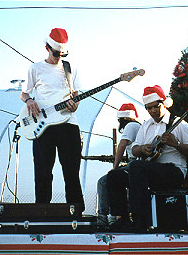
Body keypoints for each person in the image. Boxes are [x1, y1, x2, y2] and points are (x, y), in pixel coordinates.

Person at [108, 85, 188, 232]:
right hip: (149, 171)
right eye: (148, 108)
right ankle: (122, 219)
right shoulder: (145, 125)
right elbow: (136, 149)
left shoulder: (179, 123)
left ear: (164, 104)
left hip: (173, 171)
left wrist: (176, 144)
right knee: (114, 175)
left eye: (156, 107)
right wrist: (143, 148)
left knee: (136, 167)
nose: (152, 111)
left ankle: (140, 219)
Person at [20, 28, 85, 211]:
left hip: (68, 124)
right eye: (56, 53)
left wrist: (74, 105)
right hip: (43, 125)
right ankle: (41, 213)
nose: (59, 57)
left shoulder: (70, 69)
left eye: (62, 54)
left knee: (71, 172)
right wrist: (30, 100)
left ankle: (76, 214)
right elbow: (24, 93)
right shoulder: (35, 68)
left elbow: (76, 96)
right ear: (47, 48)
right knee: (43, 172)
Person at [96, 103, 141, 230]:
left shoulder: (131, 125)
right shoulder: (138, 126)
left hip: (134, 163)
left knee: (104, 181)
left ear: (122, 119)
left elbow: (121, 146)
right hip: (136, 164)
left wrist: (115, 168)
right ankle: (113, 216)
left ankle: (103, 217)